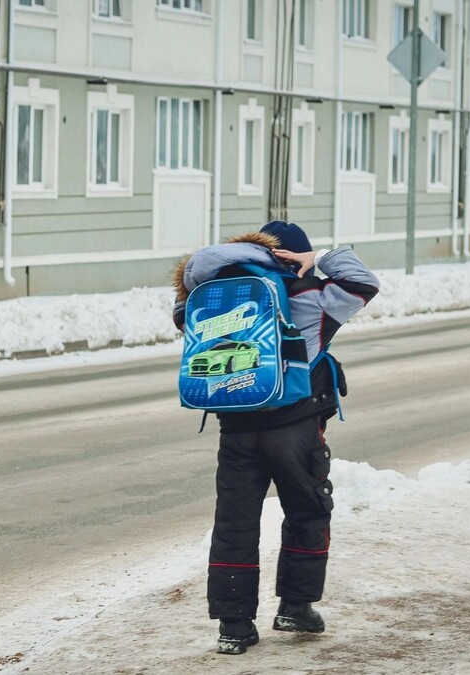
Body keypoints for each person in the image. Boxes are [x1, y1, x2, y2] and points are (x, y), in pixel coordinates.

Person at [172, 221, 379, 655]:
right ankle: (296, 607)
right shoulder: (312, 298)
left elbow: (181, 314)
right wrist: (319, 257)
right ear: (293, 259)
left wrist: (217, 269)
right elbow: (364, 282)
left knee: (234, 523)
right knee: (307, 511)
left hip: (236, 430)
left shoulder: (213, 296)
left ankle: (233, 626)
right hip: (295, 429)